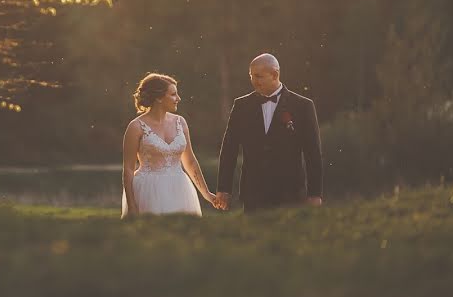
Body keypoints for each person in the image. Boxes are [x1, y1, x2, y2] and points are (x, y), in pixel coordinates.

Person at [214, 54, 323, 213]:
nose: (254, 81)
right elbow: (228, 150)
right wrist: (223, 189)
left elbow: (313, 154)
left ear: (275, 74)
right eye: (251, 76)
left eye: (258, 76)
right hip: (253, 194)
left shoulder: (303, 106)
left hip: (290, 194)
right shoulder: (241, 106)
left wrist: (315, 194)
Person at [122, 73, 216, 217]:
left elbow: (190, 161)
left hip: (180, 188)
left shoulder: (181, 122)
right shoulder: (136, 127)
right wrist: (132, 204)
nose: (178, 98)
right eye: (173, 94)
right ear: (159, 97)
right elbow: (128, 169)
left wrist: (206, 194)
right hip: (148, 189)